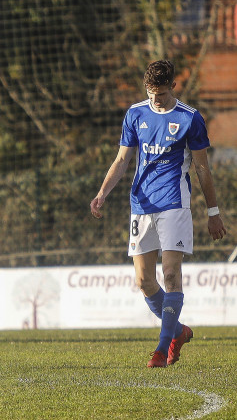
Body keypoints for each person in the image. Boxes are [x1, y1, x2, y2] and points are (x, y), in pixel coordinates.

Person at [90, 59, 226, 368]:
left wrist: (213, 212)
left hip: (174, 204)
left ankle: (162, 349)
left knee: (170, 275)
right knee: (144, 281)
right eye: (151, 93)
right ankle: (178, 331)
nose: (156, 100)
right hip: (141, 205)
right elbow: (122, 160)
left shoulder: (190, 119)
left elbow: (202, 168)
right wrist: (101, 194)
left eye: (161, 94)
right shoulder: (135, 114)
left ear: (173, 87)